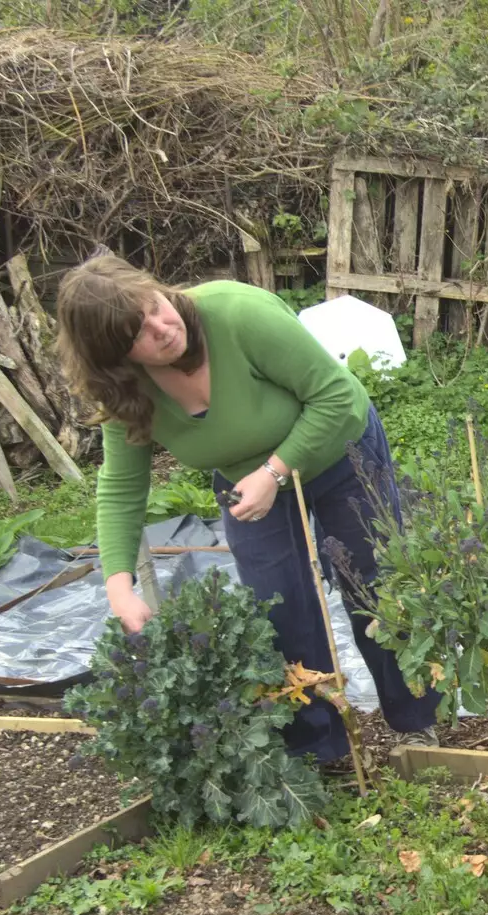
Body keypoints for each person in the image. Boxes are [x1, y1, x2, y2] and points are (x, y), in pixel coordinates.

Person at [56, 256, 441, 763]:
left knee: (372, 585)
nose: (161, 328)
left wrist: (275, 471)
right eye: (137, 333)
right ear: (115, 357)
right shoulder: (128, 393)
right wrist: (118, 586)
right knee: (277, 607)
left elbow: (336, 397)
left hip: (339, 449)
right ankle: (322, 748)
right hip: (246, 482)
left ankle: (415, 724)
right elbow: (122, 487)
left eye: (155, 307)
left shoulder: (236, 314)